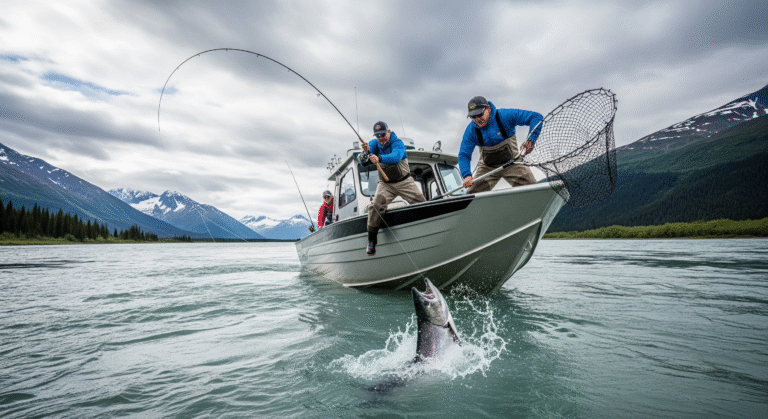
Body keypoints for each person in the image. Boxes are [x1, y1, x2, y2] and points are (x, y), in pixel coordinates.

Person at [359, 121, 425, 256]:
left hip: (404, 182)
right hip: (385, 185)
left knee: (422, 204)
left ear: (388, 132)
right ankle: (372, 240)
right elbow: (363, 162)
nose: (381, 138)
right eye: (378, 136)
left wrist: (379, 158)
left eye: (383, 135)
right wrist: (364, 154)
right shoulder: (373, 144)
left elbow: (396, 157)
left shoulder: (397, 143)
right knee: (375, 206)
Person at [458, 96, 543, 193]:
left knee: (533, 190)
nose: (477, 119)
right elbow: (464, 154)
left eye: (480, 114)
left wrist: (531, 139)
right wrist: (466, 175)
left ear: (488, 109)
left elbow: (536, 117)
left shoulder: (505, 116)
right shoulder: (470, 131)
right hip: (487, 168)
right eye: (473, 117)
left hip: (512, 163)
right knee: (471, 195)